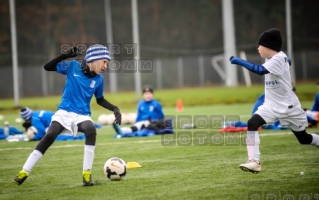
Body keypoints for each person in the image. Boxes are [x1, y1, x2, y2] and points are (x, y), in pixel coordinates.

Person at [13, 44, 122, 186]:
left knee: (91, 129)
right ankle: (24, 172)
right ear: (93, 60)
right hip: (64, 111)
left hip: (82, 115)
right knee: (50, 135)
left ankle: (86, 175)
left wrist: (115, 109)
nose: (106, 66)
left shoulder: (99, 79)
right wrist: (63, 56)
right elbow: (47, 67)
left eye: (107, 63)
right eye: (104, 62)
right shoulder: (72, 66)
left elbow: (99, 99)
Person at [229, 28, 319, 173]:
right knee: (252, 123)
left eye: (260, 45)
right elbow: (285, 60)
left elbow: (259, 70)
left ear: (269, 46)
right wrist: (288, 60)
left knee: (304, 139)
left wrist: (238, 61)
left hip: (289, 108)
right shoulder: (274, 57)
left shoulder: (277, 59)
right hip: (270, 106)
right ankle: (254, 162)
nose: (258, 48)